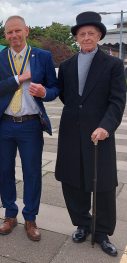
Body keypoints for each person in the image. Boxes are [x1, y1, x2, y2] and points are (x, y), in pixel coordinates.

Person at [55, 11, 126, 256]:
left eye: (91, 33)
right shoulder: (66, 66)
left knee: (103, 183)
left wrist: (106, 126)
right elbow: (66, 96)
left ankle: (102, 232)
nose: (86, 37)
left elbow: (117, 101)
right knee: (73, 181)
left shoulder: (114, 65)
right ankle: (82, 224)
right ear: (76, 37)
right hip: (71, 132)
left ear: (99, 35)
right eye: (82, 34)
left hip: (100, 133)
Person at [0, 15, 59, 241]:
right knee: (5, 172)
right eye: (9, 32)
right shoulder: (0, 57)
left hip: (30, 125)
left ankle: (30, 217)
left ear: (26, 31)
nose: (13, 36)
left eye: (17, 31)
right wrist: (19, 78)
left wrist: (45, 93)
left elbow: (54, 87)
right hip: (6, 125)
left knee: (31, 173)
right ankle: (10, 214)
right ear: (6, 35)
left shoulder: (43, 56)